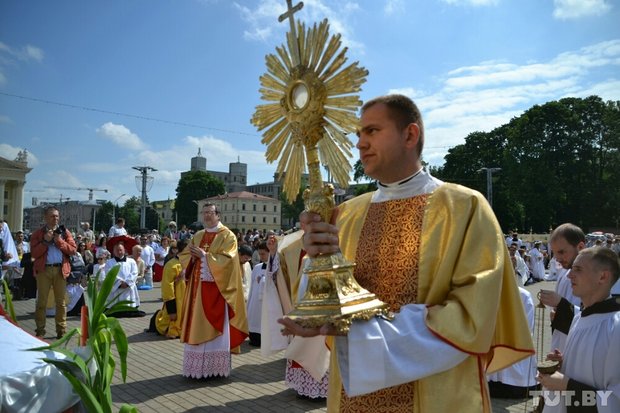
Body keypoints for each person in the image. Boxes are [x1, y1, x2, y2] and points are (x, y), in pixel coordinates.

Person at [278, 94, 534, 412]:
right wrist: (314, 267)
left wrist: (359, 333)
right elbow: (329, 296)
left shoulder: (464, 206)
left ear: (409, 135)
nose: (360, 143)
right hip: (352, 396)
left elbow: (471, 315)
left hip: (436, 393)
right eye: (358, 134)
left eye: (372, 131)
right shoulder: (346, 213)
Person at [538, 247, 620, 412]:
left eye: (578, 270)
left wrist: (566, 385)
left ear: (603, 276)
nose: (569, 275)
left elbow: (614, 401)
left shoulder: (616, 326)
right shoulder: (579, 317)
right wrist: (563, 364)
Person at [178, 203, 248, 379]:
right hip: (197, 290)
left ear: (218, 215)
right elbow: (185, 255)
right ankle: (197, 369)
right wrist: (193, 258)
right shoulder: (199, 235)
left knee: (215, 327)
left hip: (217, 292)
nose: (207, 216)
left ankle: (214, 369)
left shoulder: (228, 236)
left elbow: (229, 262)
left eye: (210, 213)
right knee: (195, 324)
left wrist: (205, 257)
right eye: (205, 213)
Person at [29, 206, 77, 338]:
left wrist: (59, 241)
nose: (55, 218)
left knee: (61, 302)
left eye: (57, 216)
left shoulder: (64, 232)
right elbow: (33, 253)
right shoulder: (38, 234)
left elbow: (73, 250)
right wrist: (45, 241)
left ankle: (61, 331)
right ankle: (40, 330)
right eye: (52, 216)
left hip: (60, 270)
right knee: (41, 302)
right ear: (45, 218)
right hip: (44, 270)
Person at [539, 223, 585, 353]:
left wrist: (560, 303)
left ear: (580, 247)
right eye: (554, 253)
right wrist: (556, 315)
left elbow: (595, 319)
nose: (557, 258)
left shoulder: (596, 277)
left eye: (562, 252)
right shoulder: (564, 274)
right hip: (561, 346)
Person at [102, 237, 142, 317]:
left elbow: (134, 273)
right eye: (117, 250)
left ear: (124, 250)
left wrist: (127, 283)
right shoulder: (109, 263)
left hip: (128, 287)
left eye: (120, 250)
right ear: (113, 251)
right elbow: (109, 274)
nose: (119, 252)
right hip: (116, 288)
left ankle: (129, 308)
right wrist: (119, 283)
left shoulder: (131, 261)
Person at [155, 240, 187, 338]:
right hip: (177, 301)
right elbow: (167, 288)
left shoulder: (191, 263)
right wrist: (171, 310)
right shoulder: (171, 265)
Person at [247, 241, 269, 347]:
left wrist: (264, 280)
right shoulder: (257, 267)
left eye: (263, 254)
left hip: (267, 302)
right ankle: (254, 338)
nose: (261, 256)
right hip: (255, 300)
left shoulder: (275, 267)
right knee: (254, 319)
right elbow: (252, 287)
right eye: (259, 254)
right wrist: (249, 303)